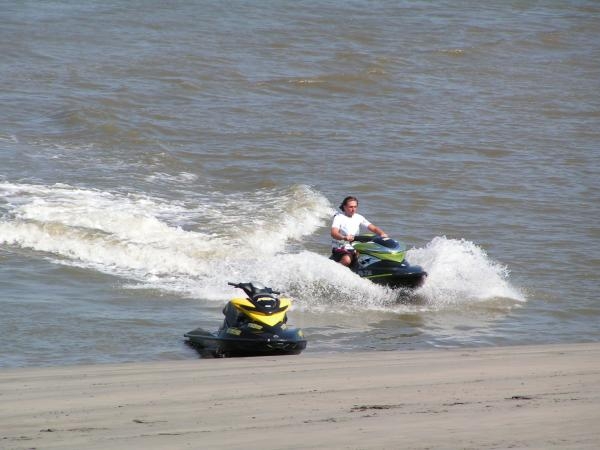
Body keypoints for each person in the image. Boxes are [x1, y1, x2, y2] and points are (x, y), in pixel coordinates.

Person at [330, 196, 388, 267]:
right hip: (341, 248)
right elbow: (334, 233)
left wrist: (382, 233)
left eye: (355, 207)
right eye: (351, 207)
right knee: (347, 260)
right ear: (344, 207)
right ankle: (334, 271)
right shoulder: (339, 217)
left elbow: (374, 228)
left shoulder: (359, 217)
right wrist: (344, 237)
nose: (353, 209)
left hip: (355, 246)